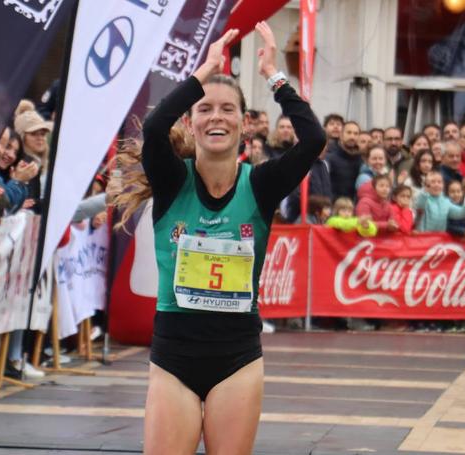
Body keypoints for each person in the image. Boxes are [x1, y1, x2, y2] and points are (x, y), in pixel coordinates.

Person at [140, 23, 326, 455]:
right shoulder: (171, 181)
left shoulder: (260, 186)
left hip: (236, 358)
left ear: (244, 123)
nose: (217, 117)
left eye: (228, 110)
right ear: (190, 122)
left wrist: (273, 75)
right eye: (205, 109)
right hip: (174, 357)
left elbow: (313, 139)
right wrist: (202, 72)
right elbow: (153, 129)